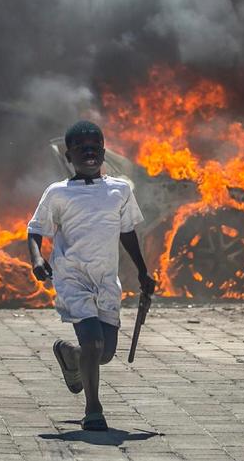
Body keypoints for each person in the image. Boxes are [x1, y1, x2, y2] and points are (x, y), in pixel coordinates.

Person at [26, 120, 156, 432]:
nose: (89, 152)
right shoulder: (58, 193)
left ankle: (69, 355)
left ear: (103, 152)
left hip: (106, 282)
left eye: (94, 148)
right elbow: (35, 230)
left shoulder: (120, 190)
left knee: (105, 352)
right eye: (81, 148)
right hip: (72, 278)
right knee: (94, 341)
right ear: (68, 156)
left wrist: (143, 272)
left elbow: (127, 232)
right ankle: (93, 409)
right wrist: (37, 260)